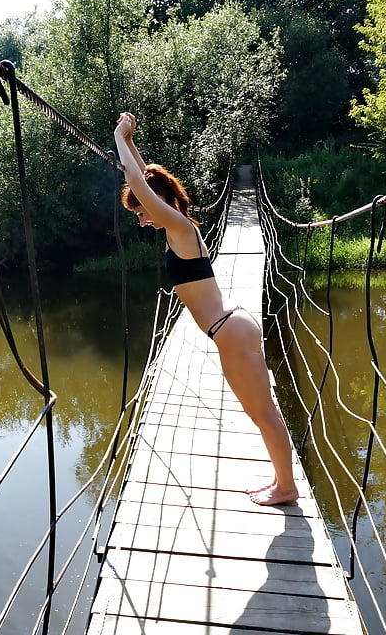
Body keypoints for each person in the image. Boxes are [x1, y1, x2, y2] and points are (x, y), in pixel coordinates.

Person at [113, 112, 299, 506]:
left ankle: (286, 487)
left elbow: (138, 182)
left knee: (262, 413)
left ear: (159, 203)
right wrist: (130, 142)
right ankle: (283, 482)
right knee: (262, 411)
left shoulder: (178, 226)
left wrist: (117, 136)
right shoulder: (180, 225)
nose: (143, 220)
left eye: (142, 212)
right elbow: (146, 177)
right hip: (232, 326)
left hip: (229, 331)